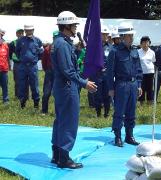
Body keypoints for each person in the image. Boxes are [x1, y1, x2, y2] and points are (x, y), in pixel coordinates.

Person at [51, 11, 97, 169]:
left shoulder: (60, 42)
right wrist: (84, 83)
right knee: (69, 122)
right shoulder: (63, 44)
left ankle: (57, 155)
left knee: (60, 121)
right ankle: (64, 159)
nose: (76, 28)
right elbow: (68, 71)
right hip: (67, 87)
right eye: (74, 25)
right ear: (67, 26)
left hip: (62, 86)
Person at [107, 23, 143, 147]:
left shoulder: (134, 50)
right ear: (122, 37)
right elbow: (109, 72)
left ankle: (129, 135)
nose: (131, 38)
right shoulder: (115, 51)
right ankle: (117, 136)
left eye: (132, 35)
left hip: (133, 84)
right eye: (129, 35)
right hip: (121, 84)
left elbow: (138, 69)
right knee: (119, 111)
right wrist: (111, 88)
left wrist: (139, 84)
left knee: (131, 111)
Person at [16, 24, 43, 109]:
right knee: (22, 85)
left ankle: (36, 104)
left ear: (33, 30)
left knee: (34, 85)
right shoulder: (20, 40)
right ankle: (22, 104)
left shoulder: (38, 40)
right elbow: (17, 52)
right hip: (22, 66)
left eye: (30, 30)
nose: (28, 31)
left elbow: (41, 53)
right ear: (25, 31)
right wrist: (23, 59)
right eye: (27, 30)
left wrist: (34, 60)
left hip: (33, 66)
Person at [94, 25, 112, 117]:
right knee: (97, 94)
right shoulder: (94, 46)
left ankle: (106, 113)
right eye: (103, 34)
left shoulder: (110, 47)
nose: (105, 36)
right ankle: (98, 113)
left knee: (107, 94)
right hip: (97, 74)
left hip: (107, 75)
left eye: (106, 35)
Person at [41, 32, 58, 114]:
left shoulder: (62, 47)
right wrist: (47, 70)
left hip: (59, 72)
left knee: (58, 93)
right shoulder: (47, 49)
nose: (56, 39)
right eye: (55, 37)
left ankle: (58, 111)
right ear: (53, 38)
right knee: (46, 92)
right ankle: (44, 110)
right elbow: (43, 62)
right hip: (50, 72)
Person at [138, 36, 156, 104]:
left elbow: (153, 61)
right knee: (142, 87)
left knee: (150, 88)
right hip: (141, 73)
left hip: (150, 72)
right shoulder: (138, 52)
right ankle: (141, 102)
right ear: (141, 44)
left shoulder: (152, 52)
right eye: (143, 42)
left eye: (147, 42)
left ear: (149, 43)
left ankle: (150, 102)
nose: (145, 44)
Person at [8, 29, 25, 98]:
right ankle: (17, 95)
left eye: (22, 33)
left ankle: (25, 95)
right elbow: (9, 54)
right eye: (19, 33)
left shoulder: (26, 42)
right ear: (16, 34)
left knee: (26, 80)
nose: (20, 34)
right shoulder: (13, 43)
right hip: (17, 64)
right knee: (17, 80)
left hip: (25, 64)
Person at [0, 28, 9, 104]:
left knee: (5, 86)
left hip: (4, 69)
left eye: (1, 35)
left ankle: (5, 100)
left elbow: (7, 57)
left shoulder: (5, 45)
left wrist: (7, 66)